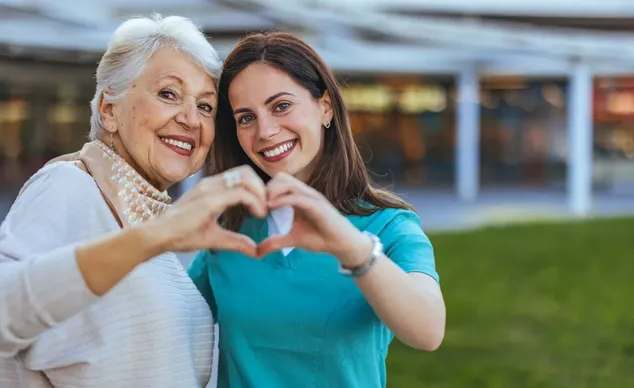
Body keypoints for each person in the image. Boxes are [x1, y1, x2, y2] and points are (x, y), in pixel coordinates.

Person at [0, 15, 269, 388]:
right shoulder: (70, 184)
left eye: (206, 107)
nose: (190, 119)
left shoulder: (148, 222)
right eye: (168, 93)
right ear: (108, 110)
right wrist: (152, 237)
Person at [188, 32, 447, 388]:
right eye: (246, 118)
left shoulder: (390, 226)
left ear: (325, 106)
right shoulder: (229, 228)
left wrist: (349, 246)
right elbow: (161, 327)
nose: (265, 130)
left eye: (281, 106)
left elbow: (428, 331)